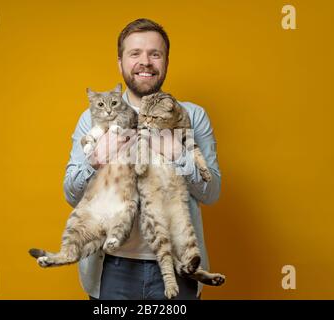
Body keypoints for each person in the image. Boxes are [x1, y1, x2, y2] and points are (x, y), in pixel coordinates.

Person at [64, 18, 221, 300]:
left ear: (166, 61)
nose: (145, 62)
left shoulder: (193, 117)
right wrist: (96, 160)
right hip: (111, 267)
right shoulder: (91, 119)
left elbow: (211, 193)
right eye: (135, 53)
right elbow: (70, 194)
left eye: (155, 54)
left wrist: (178, 153)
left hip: (177, 263)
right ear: (120, 62)